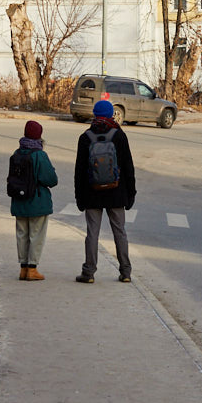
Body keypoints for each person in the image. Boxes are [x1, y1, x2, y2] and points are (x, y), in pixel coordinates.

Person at [74, 99, 136, 283]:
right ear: (111, 115)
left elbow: (79, 171)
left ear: (94, 114)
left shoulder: (85, 137)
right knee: (120, 232)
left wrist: (80, 197)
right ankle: (125, 272)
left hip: (92, 194)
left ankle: (89, 272)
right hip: (116, 193)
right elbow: (128, 167)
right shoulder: (119, 136)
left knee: (92, 233)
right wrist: (131, 194)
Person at [11, 120, 57, 281]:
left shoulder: (17, 153)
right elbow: (51, 179)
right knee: (36, 235)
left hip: (19, 201)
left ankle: (23, 268)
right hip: (37, 202)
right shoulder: (39, 155)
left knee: (21, 234)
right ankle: (32, 269)